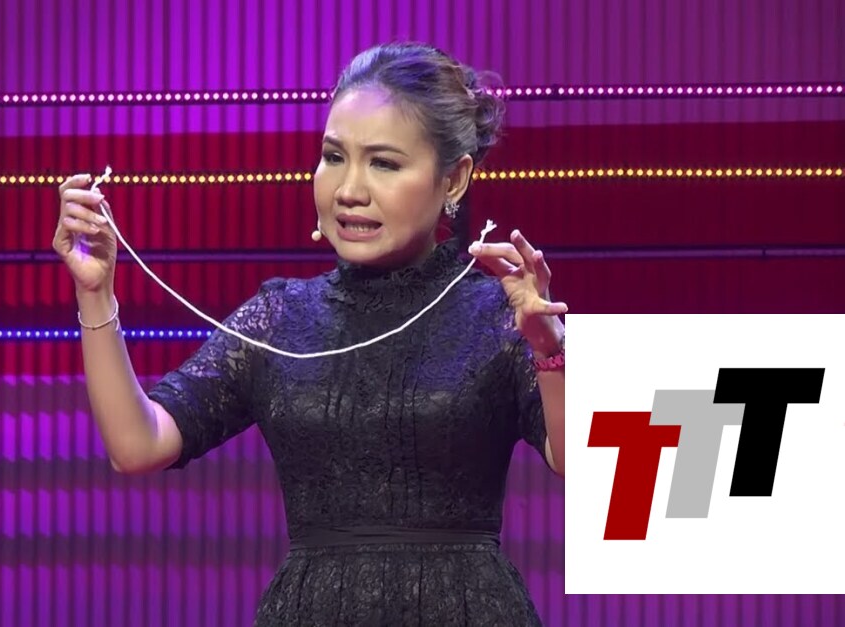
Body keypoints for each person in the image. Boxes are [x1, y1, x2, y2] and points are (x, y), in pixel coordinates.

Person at [52, 42, 565, 627]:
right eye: (333, 157)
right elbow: (137, 446)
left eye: (384, 163)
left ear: (453, 180)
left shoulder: (497, 312)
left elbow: (582, 462)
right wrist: (95, 292)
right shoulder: (282, 317)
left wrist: (549, 348)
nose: (348, 190)